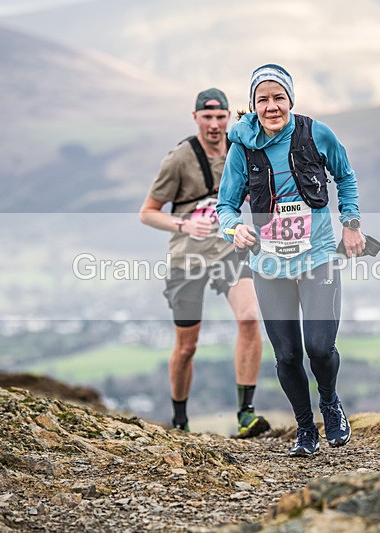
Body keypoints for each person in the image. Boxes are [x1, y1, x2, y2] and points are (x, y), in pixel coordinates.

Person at [216, 64, 364, 457]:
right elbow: (225, 206)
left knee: (319, 347)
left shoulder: (316, 134)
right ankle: (304, 427)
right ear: (253, 105)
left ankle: (330, 402)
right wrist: (235, 230)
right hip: (269, 266)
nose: (271, 106)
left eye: (278, 97)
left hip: (317, 258)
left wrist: (351, 224)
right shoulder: (241, 148)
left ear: (290, 100)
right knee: (286, 354)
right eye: (262, 99)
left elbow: (345, 178)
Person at [139, 88, 270, 438]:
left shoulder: (239, 151)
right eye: (207, 117)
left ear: (229, 117)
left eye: (220, 117)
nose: (214, 124)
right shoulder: (179, 159)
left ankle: (246, 413)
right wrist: (184, 223)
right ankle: (180, 421)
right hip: (187, 256)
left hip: (229, 250)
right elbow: (147, 213)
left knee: (248, 318)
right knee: (186, 347)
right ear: (195, 118)